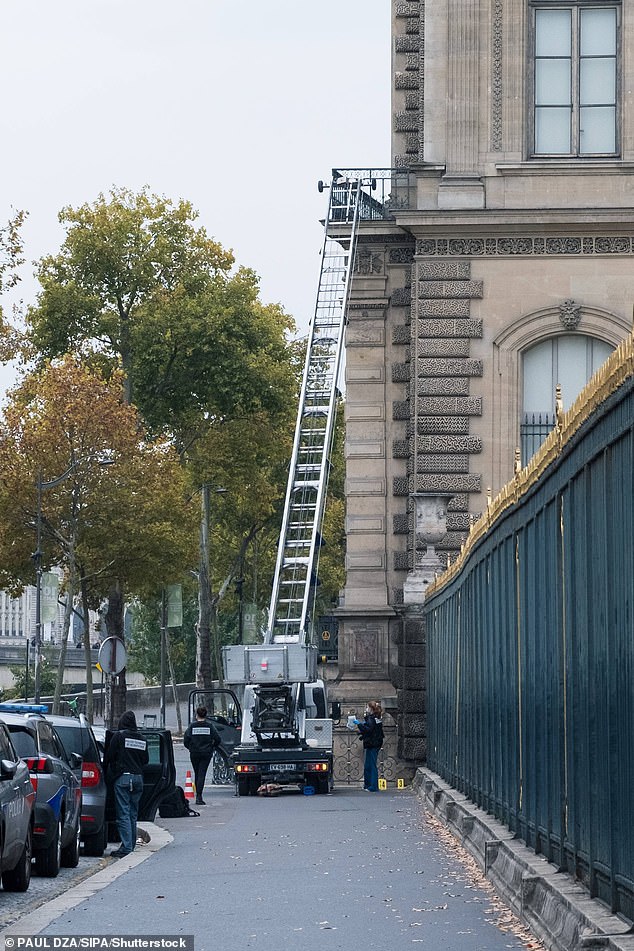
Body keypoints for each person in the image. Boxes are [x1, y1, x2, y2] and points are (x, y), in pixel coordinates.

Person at [103, 710, 149, 857]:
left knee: (123, 813)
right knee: (133, 813)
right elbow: (145, 760)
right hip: (138, 779)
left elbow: (109, 756)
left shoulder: (119, 736)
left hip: (123, 778)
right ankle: (130, 844)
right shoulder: (142, 738)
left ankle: (127, 847)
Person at [183, 706, 221, 805]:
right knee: (202, 773)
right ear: (206, 715)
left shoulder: (192, 726)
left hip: (194, 753)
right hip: (206, 753)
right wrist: (211, 747)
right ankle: (199, 796)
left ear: (196, 715)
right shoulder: (210, 726)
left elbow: (186, 740)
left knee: (197, 773)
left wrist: (191, 748)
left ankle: (198, 795)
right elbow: (218, 739)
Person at [355, 701, 384, 793]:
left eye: (367, 707)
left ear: (371, 709)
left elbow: (369, 730)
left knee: (370, 765)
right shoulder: (377, 718)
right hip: (376, 742)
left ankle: (372, 786)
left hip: (372, 743)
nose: (366, 709)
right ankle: (368, 785)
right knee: (369, 764)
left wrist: (359, 725)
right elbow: (374, 730)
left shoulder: (371, 719)